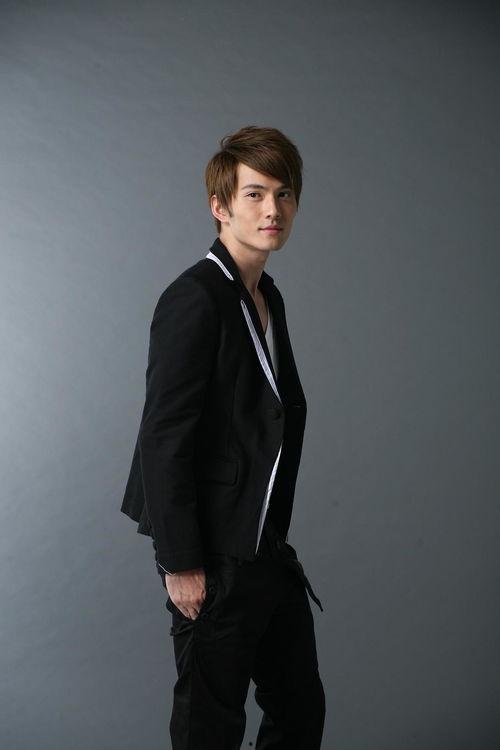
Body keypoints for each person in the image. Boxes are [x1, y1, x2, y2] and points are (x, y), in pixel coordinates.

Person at [121, 125, 325, 749]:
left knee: (299, 709)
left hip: (263, 548)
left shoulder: (267, 296)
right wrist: (180, 563)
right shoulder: (195, 297)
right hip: (210, 554)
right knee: (210, 727)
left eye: (284, 194)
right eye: (255, 194)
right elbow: (163, 437)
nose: (272, 209)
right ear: (220, 206)